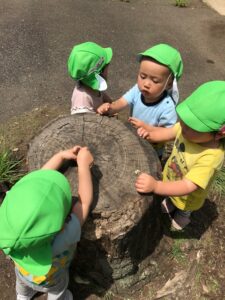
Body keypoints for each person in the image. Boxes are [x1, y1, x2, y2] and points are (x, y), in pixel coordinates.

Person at [0, 145, 94, 300]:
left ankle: (23, 296)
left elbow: (36, 184)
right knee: (59, 291)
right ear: (61, 224)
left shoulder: (8, 228)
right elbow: (83, 202)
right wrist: (83, 165)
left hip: (23, 273)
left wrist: (60, 156)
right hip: (52, 280)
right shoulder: (65, 235)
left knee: (22, 287)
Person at [135, 81, 225, 230]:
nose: (182, 126)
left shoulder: (211, 157)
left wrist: (157, 186)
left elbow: (188, 186)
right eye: (183, 120)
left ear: (218, 134)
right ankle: (170, 200)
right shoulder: (186, 130)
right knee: (171, 195)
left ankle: (184, 214)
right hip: (171, 177)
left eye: (192, 126)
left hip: (188, 196)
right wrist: (149, 133)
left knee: (184, 205)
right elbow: (167, 132)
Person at [97, 43, 183, 157]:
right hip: (132, 140)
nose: (146, 84)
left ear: (169, 84)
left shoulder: (167, 107)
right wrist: (109, 108)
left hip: (152, 151)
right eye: (143, 76)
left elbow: (166, 134)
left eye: (155, 81)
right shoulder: (137, 90)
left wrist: (146, 128)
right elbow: (122, 102)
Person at [68, 41, 113, 114]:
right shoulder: (82, 100)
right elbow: (83, 123)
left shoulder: (93, 86)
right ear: (99, 72)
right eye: (106, 68)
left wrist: (109, 103)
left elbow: (107, 99)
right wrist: (100, 112)